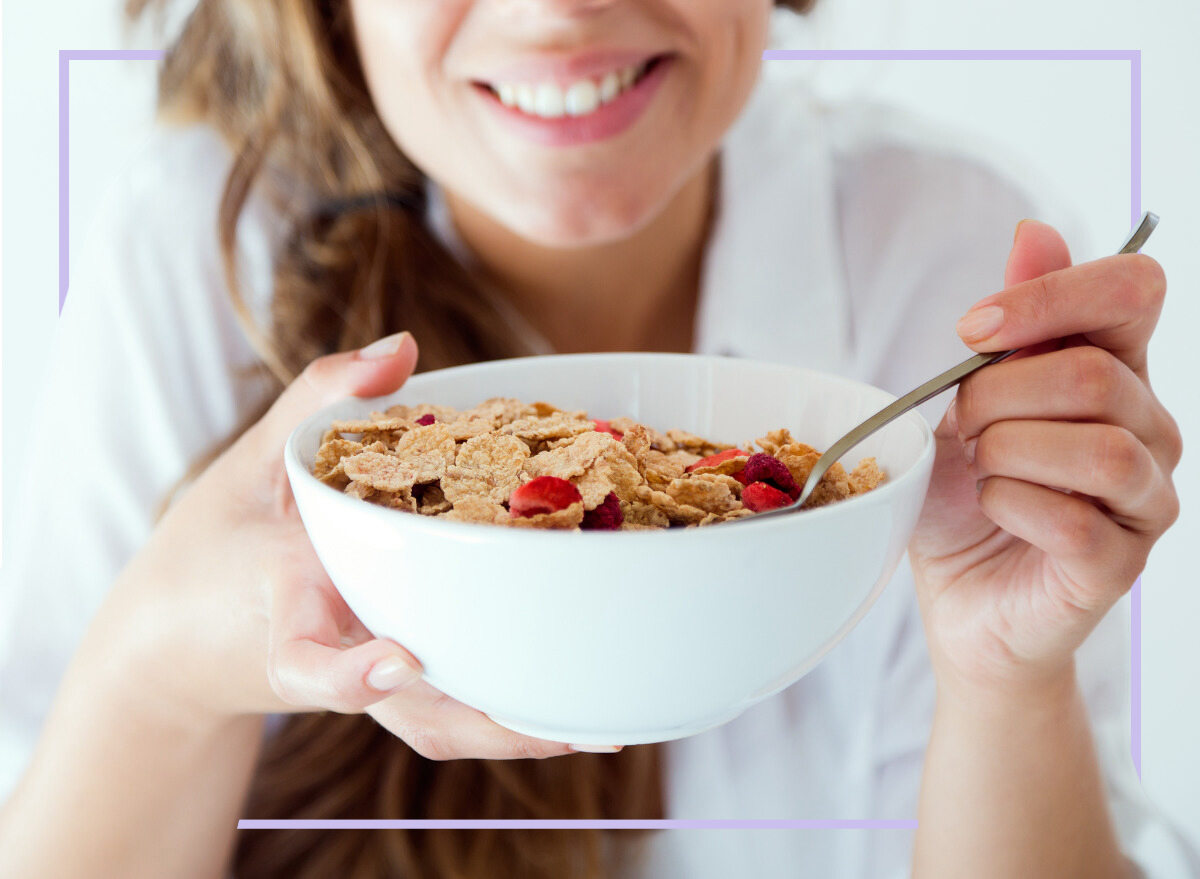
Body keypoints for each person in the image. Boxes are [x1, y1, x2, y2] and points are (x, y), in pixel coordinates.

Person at [0, 1, 1193, 877]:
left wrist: (1005, 682)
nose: (560, 16)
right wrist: (163, 668)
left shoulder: (937, 265)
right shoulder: (200, 253)